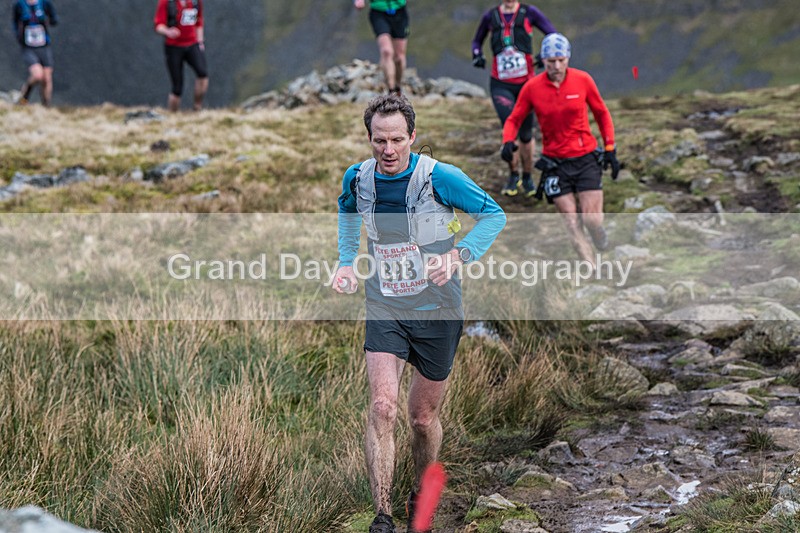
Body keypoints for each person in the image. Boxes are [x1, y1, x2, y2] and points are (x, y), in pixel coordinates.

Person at [335, 94, 506, 532]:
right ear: (369, 138)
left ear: (412, 136)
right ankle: (382, 516)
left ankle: (420, 495)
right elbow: (347, 211)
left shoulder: (440, 177)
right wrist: (346, 260)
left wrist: (458, 255)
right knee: (382, 407)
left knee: (422, 419)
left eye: (396, 140)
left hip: (438, 309)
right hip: (385, 304)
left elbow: (494, 215)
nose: (388, 150)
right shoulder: (359, 178)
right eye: (379, 140)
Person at [501, 33, 620, 268]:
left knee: (592, 220)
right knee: (571, 220)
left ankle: (598, 234)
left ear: (568, 59)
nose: (556, 66)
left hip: (585, 158)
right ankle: (591, 269)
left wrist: (610, 148)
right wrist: (507, 141)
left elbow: (602, 113)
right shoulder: (532, 88)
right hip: (555, 163)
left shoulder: (583, 80)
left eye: (561, 60)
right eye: (551, 61)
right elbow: (514, 118)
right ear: (543, 61)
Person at [471, 0, 555, 197]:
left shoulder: (529, 12)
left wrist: (544, 55)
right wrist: (477, 54)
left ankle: (527, 176)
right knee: (510, 127)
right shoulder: (490, 16)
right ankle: (513, 174)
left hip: (527, 84)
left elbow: (552, 34)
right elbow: (476, 41)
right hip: (501, 84)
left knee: (526, 133)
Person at [153, 0, 208, 112]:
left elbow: (199, 21)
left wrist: (200, 41)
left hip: (192, 44)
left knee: (202, 74)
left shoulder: (195, 2)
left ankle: (197, 108)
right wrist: (168, 31)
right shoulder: (166, 2)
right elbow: (158, 25)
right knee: (177, 87)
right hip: (173, 47)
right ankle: (173, 115)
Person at [354, 0, 409, 94]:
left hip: (399, 12)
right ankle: (391, 90)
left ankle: (398, 87)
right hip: (378, 13)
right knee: (386, 51)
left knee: (399, 57)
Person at [12, 0, 58, 106]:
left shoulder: (44, 3)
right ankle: (24, 96)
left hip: (43, 46)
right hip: (28, 47)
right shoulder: (20, 5)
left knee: (46, 77)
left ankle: (46, 106)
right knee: (37, 75)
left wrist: (47, 20)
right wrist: (18, 36)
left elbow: (54, 19)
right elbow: (15, 21)